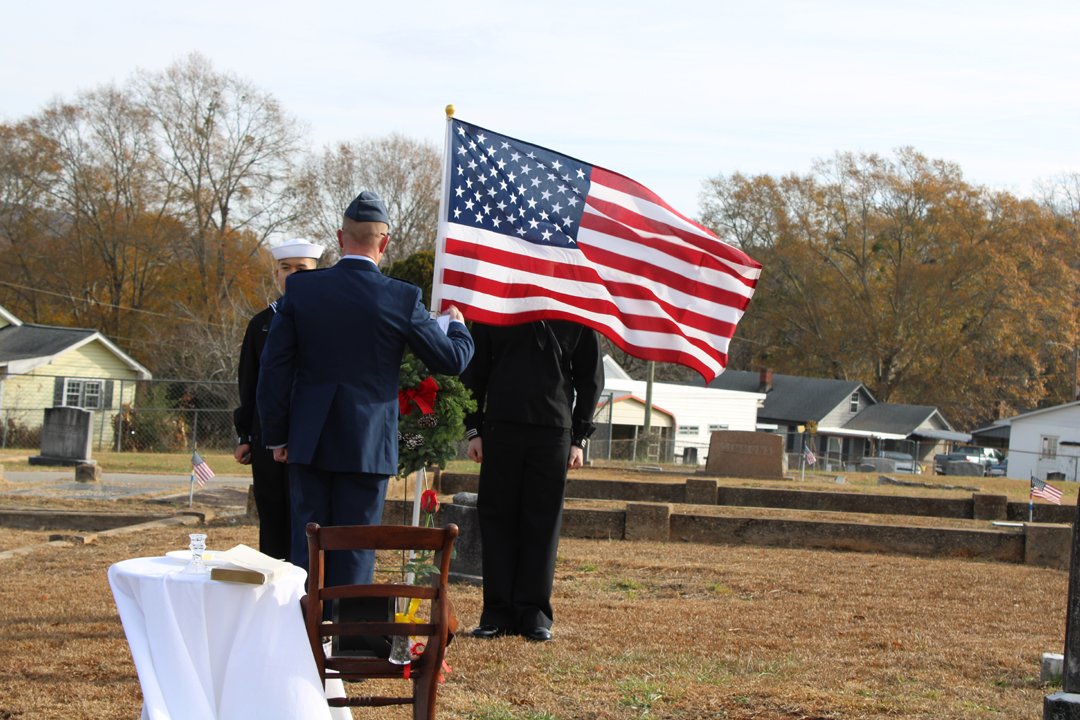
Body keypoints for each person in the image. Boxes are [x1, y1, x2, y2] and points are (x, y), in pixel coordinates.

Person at [256, 191, 473, 589]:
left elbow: (274, 368)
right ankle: (347, 639)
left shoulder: (302, 290)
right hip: (367, 443)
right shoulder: (402, 297)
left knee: (309, 547)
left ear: (341, 238)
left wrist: (277, 435)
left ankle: (307, 638)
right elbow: (451, 360)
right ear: (385, 243)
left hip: (309, 439)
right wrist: (456, 324)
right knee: (356, 548)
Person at [461, 320, 603, 642]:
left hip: (553, 431)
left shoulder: (575, 311)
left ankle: (534, 615)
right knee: (497, 521)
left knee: (542, 524)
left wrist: (579, 438)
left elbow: (590, 377)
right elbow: (475, 370)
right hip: (499, 428)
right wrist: (474, 430)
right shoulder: (495, 304)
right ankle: (496, 613)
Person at [233, 238, 323, 561]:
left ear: (317, 273)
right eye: (286, 268)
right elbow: (250, 382)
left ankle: (309, 594)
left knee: (309, 519)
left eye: (302, 268)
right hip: (266, 436)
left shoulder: (326, 321)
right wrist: (245, 435)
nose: (293, 274)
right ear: (276, 275)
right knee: (272, 513)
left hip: (311, 436)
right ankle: (272, 591)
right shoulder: (260, 325)